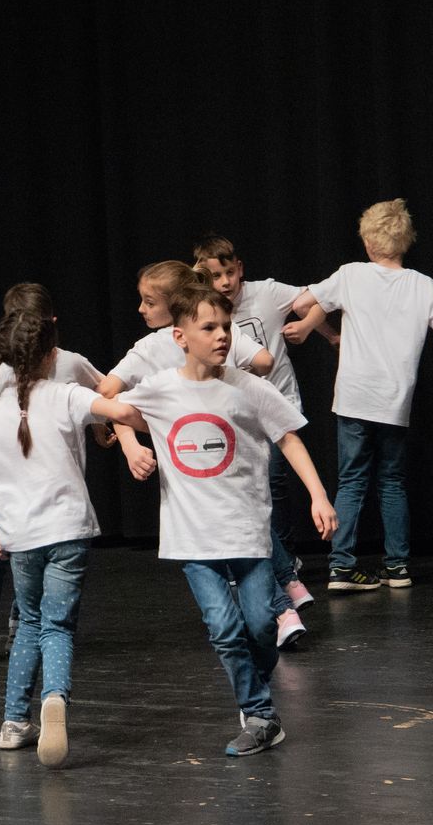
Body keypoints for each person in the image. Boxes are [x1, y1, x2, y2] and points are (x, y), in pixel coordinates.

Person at [111, 285, 337, 756]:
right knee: (225, 630)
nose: (222, 336)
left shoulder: (247, 387)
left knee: (261, 626)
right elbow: (115, 406)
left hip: (248, 532)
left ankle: (255, 693)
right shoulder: (160, 389)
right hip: (192, 538)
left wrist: (318, 495)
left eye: (226, 327)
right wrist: (131, 443)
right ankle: (259, 714)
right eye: (208, 328)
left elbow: (289, 438)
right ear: (180, 336)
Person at [0, 307, 135, 766]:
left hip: (21, 537)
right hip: (68, 531)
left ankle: (14, 721)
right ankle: (54, 698)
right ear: (52, 355)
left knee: (29, 622)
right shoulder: (66, 395)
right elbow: (121, 410)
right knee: (57, 626)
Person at [286, 198, 433, 590]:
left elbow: (301, 302)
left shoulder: (350, 275)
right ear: (406, 242)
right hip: (394, 399)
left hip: (354, 396)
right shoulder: (426, 286)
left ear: (367, 241)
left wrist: (316, 325)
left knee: (351, 481)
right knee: (391, 482)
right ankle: (397, 567)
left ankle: (341, 567)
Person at [0, 282, 105, 660]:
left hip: (55, 484)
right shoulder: (4, 369)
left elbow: (104, 390)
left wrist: (100, 427)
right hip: (16, 486)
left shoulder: (69, 363)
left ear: (50, 325)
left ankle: (21, 623)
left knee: (37, 558)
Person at [194, 234, 338, 646]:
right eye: (214, 276)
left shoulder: (267, 293)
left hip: (275, 405)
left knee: (271, 482)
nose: (224, 282)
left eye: (229, 272)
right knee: (250, 492)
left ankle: (282, 565)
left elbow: (315, 298)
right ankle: (279, 570)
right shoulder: (203, 312)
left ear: (240, 268)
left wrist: (317, 330)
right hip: (232, 416)